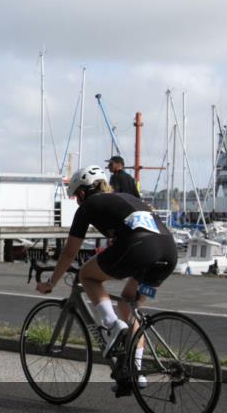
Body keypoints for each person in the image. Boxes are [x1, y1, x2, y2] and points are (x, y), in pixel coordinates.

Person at [36, 165, 178, 392]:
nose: (77, 202)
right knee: (127, 304)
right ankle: (135, 372)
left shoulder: (89, 205)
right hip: (168, 252)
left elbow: (70, 253)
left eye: (76, 197)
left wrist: (52, 282)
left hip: (140, 247)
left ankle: (112, 326)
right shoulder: (126, 198)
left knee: (87, 276)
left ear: (82, 193)